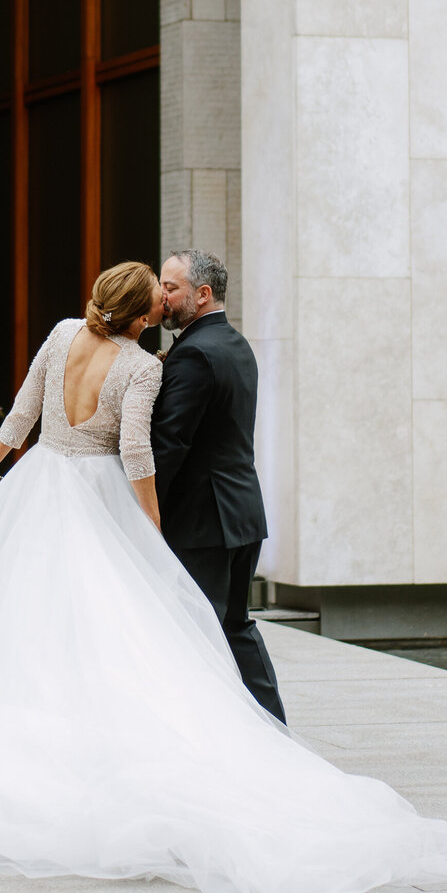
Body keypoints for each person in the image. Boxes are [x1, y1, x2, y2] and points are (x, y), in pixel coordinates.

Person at [0, 260, 447, 893]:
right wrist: (149, 534)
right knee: (105, 632)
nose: (162, 307)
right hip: (93, 499)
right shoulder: (142, 368)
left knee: (14, 624)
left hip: (36, 491)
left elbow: (19, 418)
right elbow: (139, 456)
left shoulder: (58, 337)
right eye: (156, 299)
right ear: (142, 314)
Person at [151, 248, 285, 722]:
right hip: (242, 515)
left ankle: (213, 736)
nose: (161, 297)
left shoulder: (194, 354)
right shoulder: (235, 343)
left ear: (202, 294)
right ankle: (272, 730)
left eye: (171, 288)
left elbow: (170, 445)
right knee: (235, 627)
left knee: (198, 632)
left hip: (203, 522)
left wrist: (142, 508)